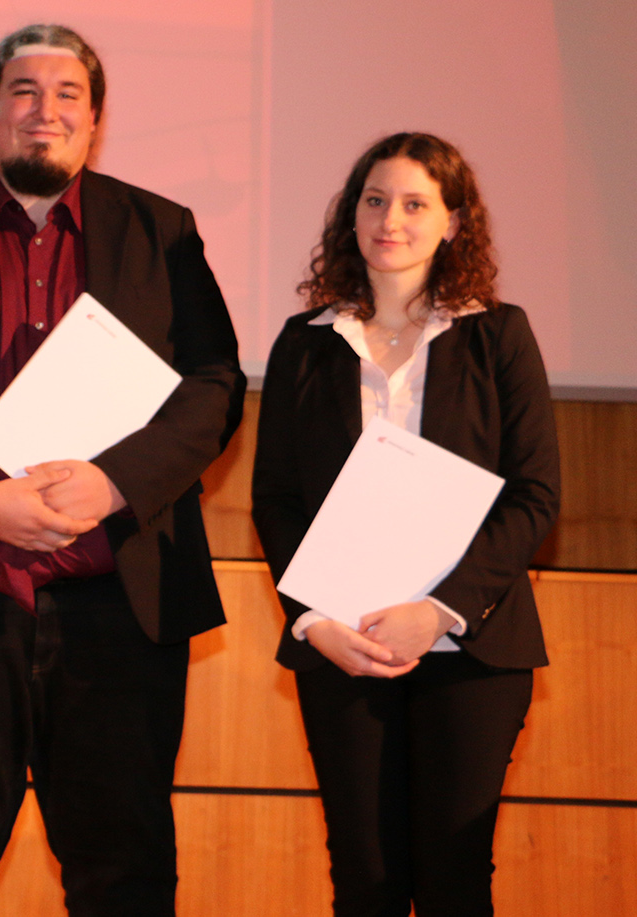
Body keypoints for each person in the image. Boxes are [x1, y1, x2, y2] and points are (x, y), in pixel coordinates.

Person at [0, 24, 245, 915]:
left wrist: (115, 483)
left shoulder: (163, 231)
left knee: (126, 867)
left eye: (68, 95)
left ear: (95, 121)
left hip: (117, 601)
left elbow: (215, 385)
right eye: (23, 92)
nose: (44, 111)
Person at [251, 132, 560, 916]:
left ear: (453, 222)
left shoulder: (499, 334)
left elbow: (534, 495)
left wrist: (439, 610)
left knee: (456, 879)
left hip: (472, 650)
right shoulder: (305, 343)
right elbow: (276, 501)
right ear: (351, 216)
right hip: (343, 646)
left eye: (417, 203)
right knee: (365, 879)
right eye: (375, 199)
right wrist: (314, 618)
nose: (392, 218)